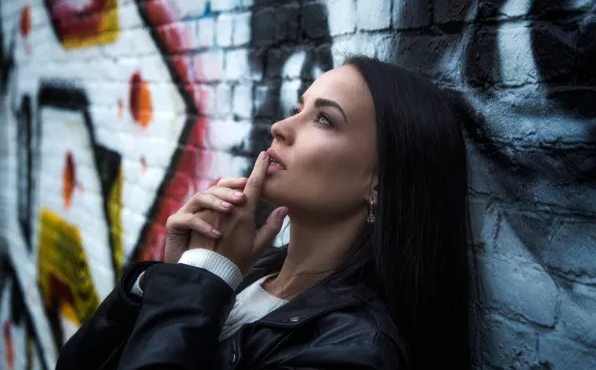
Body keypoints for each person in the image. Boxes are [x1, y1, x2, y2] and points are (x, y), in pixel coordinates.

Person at [55, 56, 472, 370]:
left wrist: (198, 281)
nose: (281, 126)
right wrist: (169, 280)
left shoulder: (354, 350)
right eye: (299, 107)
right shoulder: (243, 274)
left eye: (325, 119)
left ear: (378, 183)